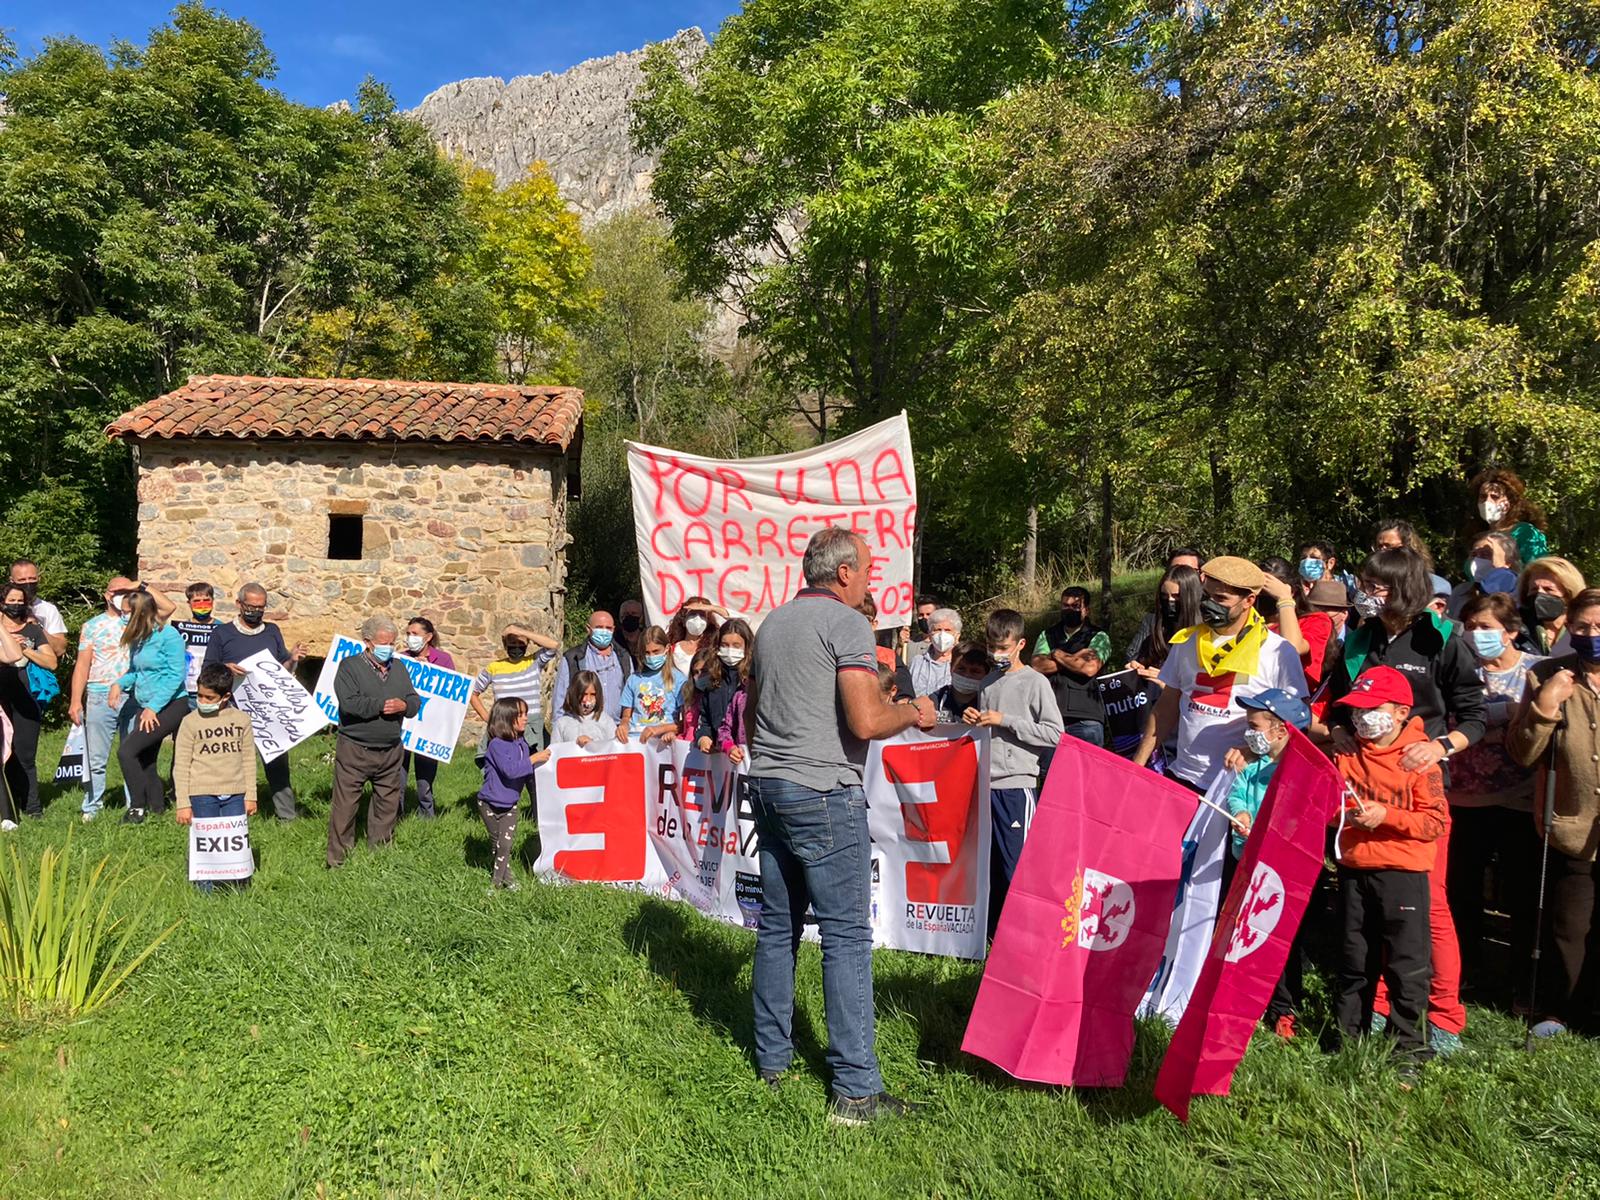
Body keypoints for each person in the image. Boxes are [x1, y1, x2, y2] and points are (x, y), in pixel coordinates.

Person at [746, 527, 936, 1124]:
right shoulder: (850, 625)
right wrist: (914, 712)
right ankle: (856, 1091)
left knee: (777, 929)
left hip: (770, 785)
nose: (873, 582)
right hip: (823, 790)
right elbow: (864, 719)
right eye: (871, 571)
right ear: (846, 573)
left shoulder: (773, 621)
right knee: (846, 938)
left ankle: (771, 1061)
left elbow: (753, 710)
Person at [1329, 548, 1486, 1056]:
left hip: (1417, 784)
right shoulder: (1359, 636)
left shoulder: (1441, 639)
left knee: (1429, 906)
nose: (1366, 594)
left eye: (1377, 587)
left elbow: (1475, 716)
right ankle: (1377, 1008)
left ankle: (1443, 1014)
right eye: (1366, 584)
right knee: (1370, 907)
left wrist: (1440, 746)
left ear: (1403, 591)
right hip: (1360, 783)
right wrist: (1337, 732)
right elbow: (1332, 703)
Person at [1332, 666, 1449, 1072]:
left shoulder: (1418, 759)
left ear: (1400, 713)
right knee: (1353, 958)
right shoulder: (1345, 754)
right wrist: (1341, 813)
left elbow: (1435, 823)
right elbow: (1328, 805)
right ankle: (1349, 1038)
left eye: (1372, 709)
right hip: (1353, 869)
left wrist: (1387, 816)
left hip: (1402, 875)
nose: (1363, 718)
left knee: (1406, 963)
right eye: (1355, 711)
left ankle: (1410, 1047)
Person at [1508, 588, 1600, 1037]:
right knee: (1570, 927)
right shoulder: (1545, 674)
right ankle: (1562, 1009)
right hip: (1571, 824)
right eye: (1582, 626)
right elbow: (1523, 753)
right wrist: (1546, 706)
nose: (1591, 634)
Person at [1132, 557, 1307, 791]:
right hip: (1182, 775)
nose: (1210, 604)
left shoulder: (1277, 651)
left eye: (1221, 599)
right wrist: (1136, 766)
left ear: (1249, 601)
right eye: (1207, 596)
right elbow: (1165, 709)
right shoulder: (1186, 642)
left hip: (1240, 785)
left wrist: (1255, 750)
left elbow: (1299, 718)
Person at [1446, 592, 1542, 1003]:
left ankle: (1521, 978)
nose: (1476, 634)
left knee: (1521, 893)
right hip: (1465, 799)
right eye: (1470, 627)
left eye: (1486, 627)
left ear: (1512, 632)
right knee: (1462, 891)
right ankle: (1466, 971)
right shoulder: (1458, 671)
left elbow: (1538, 719)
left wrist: (1485, 720)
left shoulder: (1537, 671)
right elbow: (1453, 721)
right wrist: (1503, 715)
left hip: (1520, 798)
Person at [966, 608, 1066, 932]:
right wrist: (975, 722)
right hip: (985, 786)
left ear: (1021, 644)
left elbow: (1055, 733)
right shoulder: (987, 683)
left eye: (1003, 648)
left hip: (1017, 786)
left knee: (1018, 869)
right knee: (990, 870)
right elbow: (989, 727)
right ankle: (995, 936)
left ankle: (1029, 934)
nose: (997, 654)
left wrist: (1004, 720)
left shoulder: (1035, 682)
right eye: (991, 646)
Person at [1224, 688, 1312, 1038]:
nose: (1248, 733)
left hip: (1281, 873)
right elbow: (1236, 792)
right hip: (1244, 861)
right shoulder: (1253, 765)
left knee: (1282, 941)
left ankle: (1283, 1008)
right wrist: (1240, 810)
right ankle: (1241, 999)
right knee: (1242, 934)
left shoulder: (1301, 771)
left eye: (1254, 726)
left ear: (1281, 730)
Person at [202, 583, 308, 822]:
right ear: (239, 604)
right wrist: (225, 669)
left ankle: (286, 816)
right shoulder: (222, 633)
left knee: (278, 764)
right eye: (251, 606)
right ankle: (230, 814)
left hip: (268, 711)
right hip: (232, 709)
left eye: (261, 607)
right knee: (232, 763)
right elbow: (208, 668)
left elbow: (282, 668)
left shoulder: (272, 631)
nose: (256, 611)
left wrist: (292, 658)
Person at [327, 617, 420, 869]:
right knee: (345, 806)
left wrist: (405, 705)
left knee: (387, 804)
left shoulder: (399, 668)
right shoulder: (349, 667)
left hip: (390, 749)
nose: (388, 648)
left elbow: (414, 700)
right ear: (367, 642)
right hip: (355, 748)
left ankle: (380, 854)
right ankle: (338, 860)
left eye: (391, 643)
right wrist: (382, 705)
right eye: (382, 643)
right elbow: (350, 703)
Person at [173, 663, 258, 892]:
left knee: (234, 841)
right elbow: (181, 765)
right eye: (200, 695)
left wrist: (251, 795)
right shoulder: (190, 722)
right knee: (206, 843)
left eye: (209, 697)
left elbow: (249, 759)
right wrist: (183, 803)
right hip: (201, 793)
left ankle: (237, 885)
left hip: (235, 794)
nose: (203, 701)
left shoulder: (242, 721)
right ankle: (205, 890)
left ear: (225, 696)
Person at [109, 590, 190, 824]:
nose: (122, 616)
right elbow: (136, 672)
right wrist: (118, 684)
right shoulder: (139, 638)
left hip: (171, 704)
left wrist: (154, 707)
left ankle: (137, 807)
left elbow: (176, 675)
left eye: (126, 612)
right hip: (146, 704)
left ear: (140, 612)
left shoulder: (169, 635)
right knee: (146, 758)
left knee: (127, 751)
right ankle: (157, 809)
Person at [70, 577, 141, 822]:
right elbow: (82, 665)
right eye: (117, 591)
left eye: (126, 591)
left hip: (133, 695)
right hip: (100, 694)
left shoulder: (139, 622)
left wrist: (139, 588)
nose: (121, 595)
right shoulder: (92, 626)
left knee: (131, 752)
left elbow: (167, 610)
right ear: (106, 595)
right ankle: (92, 805)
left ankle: (135, 804)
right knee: (96, 756)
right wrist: (75, 700)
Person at [477, 697, 550, 890]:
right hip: (489, 804)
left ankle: (497, 884)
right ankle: (505, 882)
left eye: (526, 713)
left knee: (505, 846)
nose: (526, 718)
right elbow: (510, 770)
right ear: (507, 718)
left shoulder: (522, 743)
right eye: (521, 714)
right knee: (499, 847)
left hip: (511, 805)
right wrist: (534, 758)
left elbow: (525, 773)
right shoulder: (496, 745)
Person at [0, 582, 56, 820]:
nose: (15, 605)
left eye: (19, 601)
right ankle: (8, 806)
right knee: (4, 754)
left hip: (26, 699)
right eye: (10, 600)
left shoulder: (33, 630)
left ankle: (32, 806)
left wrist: (27, 650)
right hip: (2, 700)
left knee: (25, 754)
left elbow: (51, 662)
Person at [1031, 587, 1110, 748]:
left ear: (1086, 610)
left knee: (1087, 772)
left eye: (1075, 606)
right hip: (1050, 717)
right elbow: (1037, 666)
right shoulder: (1046, 635)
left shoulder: (1099, 636)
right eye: (1065, 606)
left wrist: (1057, 653)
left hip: (1087, 719)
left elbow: (1089, 668)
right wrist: (1075, 658)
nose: (1069, 610)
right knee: (1049, 773)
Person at [470, 623, 561, 763]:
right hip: (504, 726)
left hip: (531, 726)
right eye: (512, 643)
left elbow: (554, 645)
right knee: (506, 770)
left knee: (536, 775)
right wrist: (488, 718)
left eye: (521, 643)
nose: (517, 646)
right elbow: (473, 692)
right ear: (505, 645)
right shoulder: (494, 668)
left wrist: (521, 631)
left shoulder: (534, 662)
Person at [399, 616, 456, 819]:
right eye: (408, 634)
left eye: (415, 634)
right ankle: (395, 816)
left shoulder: (444, 660)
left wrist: (430, 672)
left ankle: (427, 818)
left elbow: (451, 695)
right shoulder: (400, 658)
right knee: (397, 776)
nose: (410, 638)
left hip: (429, 729)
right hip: (403, 727)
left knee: (425, 780)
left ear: (429, 637)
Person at [553, 611, 633, 723]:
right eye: (599, 627)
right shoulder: (573, 658)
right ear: (588, 629)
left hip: (617, 729)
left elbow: (631, 694)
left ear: (613, 630)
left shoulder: (624, 658)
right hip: (584, 729)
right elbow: (560, 701)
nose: (604, 631)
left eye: (608, 628)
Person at [1125, 548, 1204, 663]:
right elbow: (1133, 656)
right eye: (1165, 596)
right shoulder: (1155, 622)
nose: (1170, 601)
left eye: (1187, 570)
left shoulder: (1209, 626)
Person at [692, 619, 753, 759]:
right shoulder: (710, 681)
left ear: (747, 647)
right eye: (725, 645)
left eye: (736, 645)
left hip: (747, 756)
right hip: (719, 758)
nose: (730, 650)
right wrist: (703, 737)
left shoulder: (754, 680)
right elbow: (705, 720)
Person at [1130, 565, 1203, 681]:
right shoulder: (1156, 634)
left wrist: (1166, 684)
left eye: (1176, 596)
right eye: (1164, 596)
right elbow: (1141, 662)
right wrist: (1136, 669)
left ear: (1190, 597)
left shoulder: (1206, 636)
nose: (1170, 601)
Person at [1467, 466, 1549, 568]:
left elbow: (1538, 569)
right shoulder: (1477, 536)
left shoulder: (1525, 532)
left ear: (1509, 503)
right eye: (1483, 496)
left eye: (1494, 497)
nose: (1487, 502)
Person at [618, 625, 680, 746]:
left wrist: (660, 729)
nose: (651, 657)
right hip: (635, 742)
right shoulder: (634, 679)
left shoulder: (678, 679)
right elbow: (626, 715)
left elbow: (685, 723)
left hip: (663, 743)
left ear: (667, 648)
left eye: (656, 651)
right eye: (647, 653)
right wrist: (623, 726)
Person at [1515, 557, 1587, 657]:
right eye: (1534, 589)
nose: (1539, 594)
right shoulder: (1515, 628)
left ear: (1568, 594)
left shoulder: (1588, 629)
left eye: (1548, 589)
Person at [1448, 532, 1521, 618]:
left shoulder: (1517, 588)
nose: (1477, 559)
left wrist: (1499, 568)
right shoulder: (1461, 590)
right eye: (1474, 554)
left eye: (1486, 554)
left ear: (1508, 562)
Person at [174, 582, 220, 708]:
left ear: (213, 601)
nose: (202, 604)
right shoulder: (179, 631)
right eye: (197, 601)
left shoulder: (223, 629)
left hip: (211, 692)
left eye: (206, 600)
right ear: (189, 603)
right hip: (185, 692)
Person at [8, 559, 67, 657]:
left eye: (32, 579)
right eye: (22, 580)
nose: (27, 583)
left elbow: (59, 650)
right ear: (12, 581)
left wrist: (37, 627)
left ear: (38, 579)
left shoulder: (48, 610)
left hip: (35, 668)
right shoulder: (2, 607)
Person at [928, 643, 990, 724]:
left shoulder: (990, 704)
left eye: (975, 671)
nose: (967, 675)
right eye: (961, 669)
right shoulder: (934, 700)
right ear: (951, 668)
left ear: (986, 674)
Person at [552, 671, 618, 747]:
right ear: (574, 694)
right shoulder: (562, 724)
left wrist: (593, 745)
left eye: (592, 694)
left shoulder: (606, 722)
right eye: (584, 694)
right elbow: (555, 753)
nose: (588, 699)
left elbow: (614, 750)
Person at [908, 608, 962, 698]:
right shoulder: (917, 662)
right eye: (937, 630)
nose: (942, 634)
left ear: (957, 635)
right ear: (930, 634)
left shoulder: (962, 665)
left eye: (947, 630)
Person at [667, 597, 724, 678]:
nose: (697, 618)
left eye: (702, 615)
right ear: (683, 620)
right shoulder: (672, 649)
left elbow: (742, 622)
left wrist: (713, 608)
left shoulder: (713, 648)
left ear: (708, 622)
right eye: (693, 614)